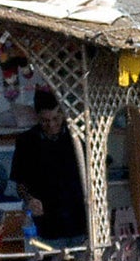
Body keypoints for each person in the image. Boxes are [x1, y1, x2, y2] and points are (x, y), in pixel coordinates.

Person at [10, 86, 86, 243]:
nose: (51, 125)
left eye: (56, 119)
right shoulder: (26, 142)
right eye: (45, 121)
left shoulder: (79, 138)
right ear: (37, 117)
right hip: (47, 227)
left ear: (63, 114)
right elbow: (20, 184)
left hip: (81, 222)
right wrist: (29, 200)